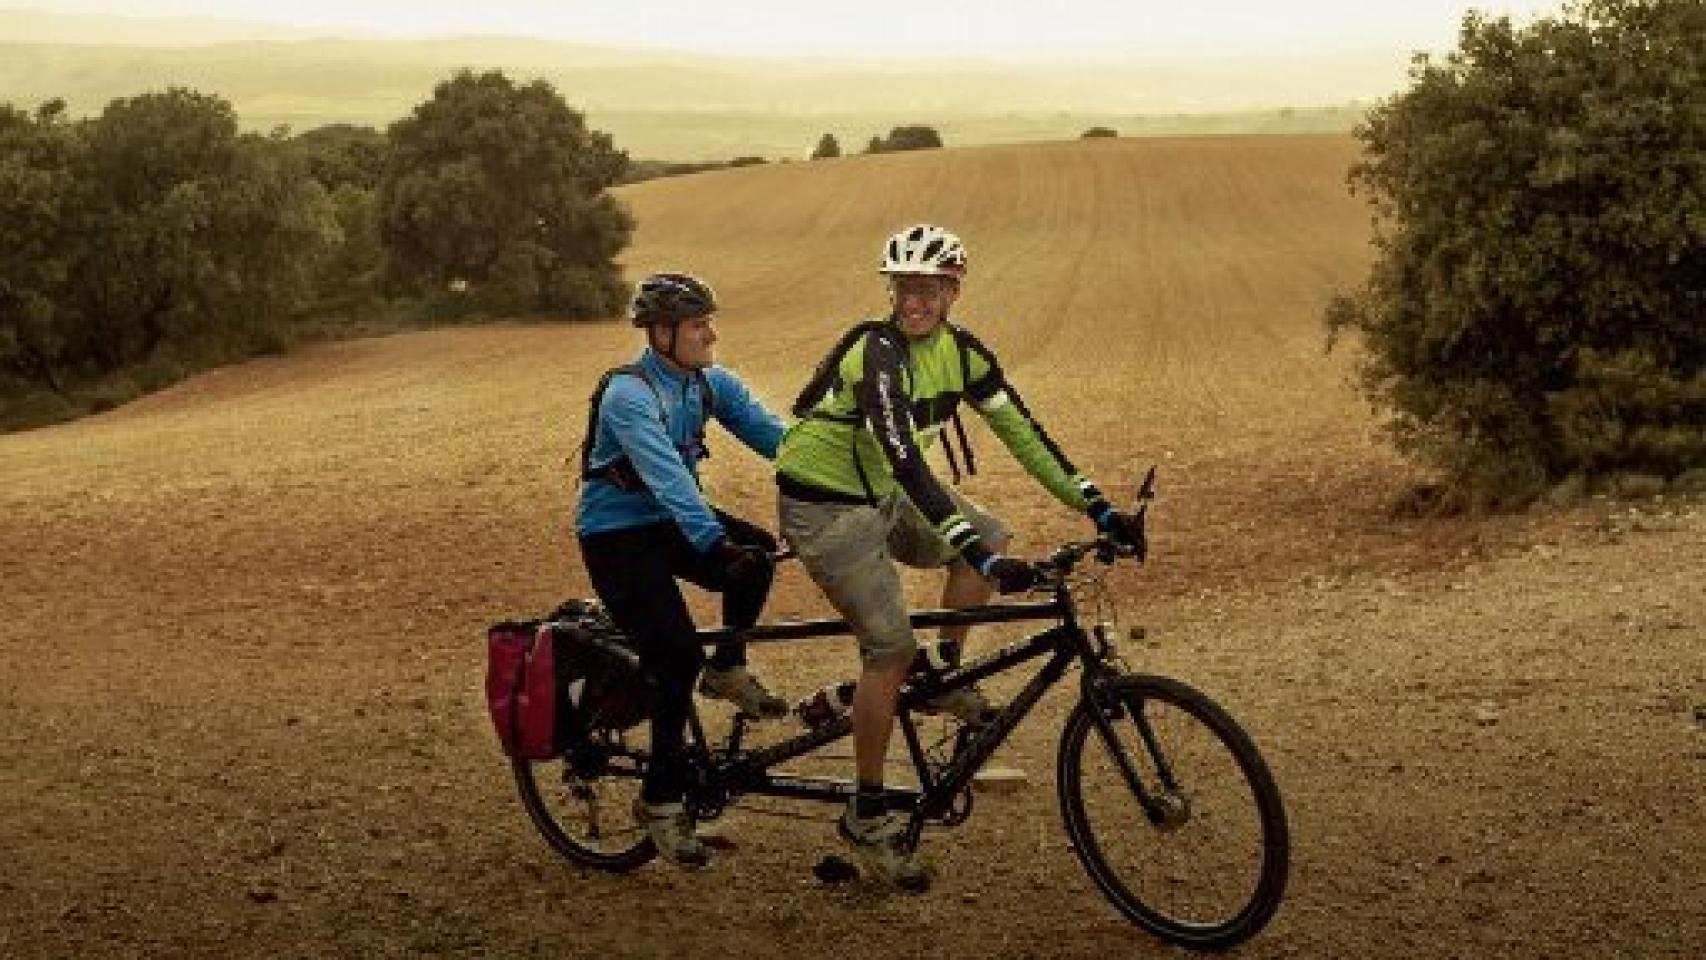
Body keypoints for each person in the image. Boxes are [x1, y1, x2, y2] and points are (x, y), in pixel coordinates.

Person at [774, 224, 1145, 889]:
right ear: (893, 291)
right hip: (825, 506)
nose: (915, 301)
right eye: (904, 288)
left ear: (952, 291)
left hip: (884, 492)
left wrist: (1097, 506)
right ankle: (867, 813)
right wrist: (969, 546)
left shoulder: (963, 354)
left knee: (991, 538)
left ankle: (941, 675)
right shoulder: (876, 352)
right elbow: (907, 459)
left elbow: (1026, 436)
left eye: (929, 289)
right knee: (888, 648)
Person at [576, 272, 789, 868]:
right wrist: (712, 545)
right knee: (673, 657)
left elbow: (778, 438)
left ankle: (728, 669)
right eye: (699, 325)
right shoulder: (629, 394)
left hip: (668, 522)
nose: (711, 335)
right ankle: (662, 803)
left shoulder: (708, 384)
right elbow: (668, 476)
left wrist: (839, 467)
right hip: (616, 535)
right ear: (662, 333)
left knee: (758, 555)